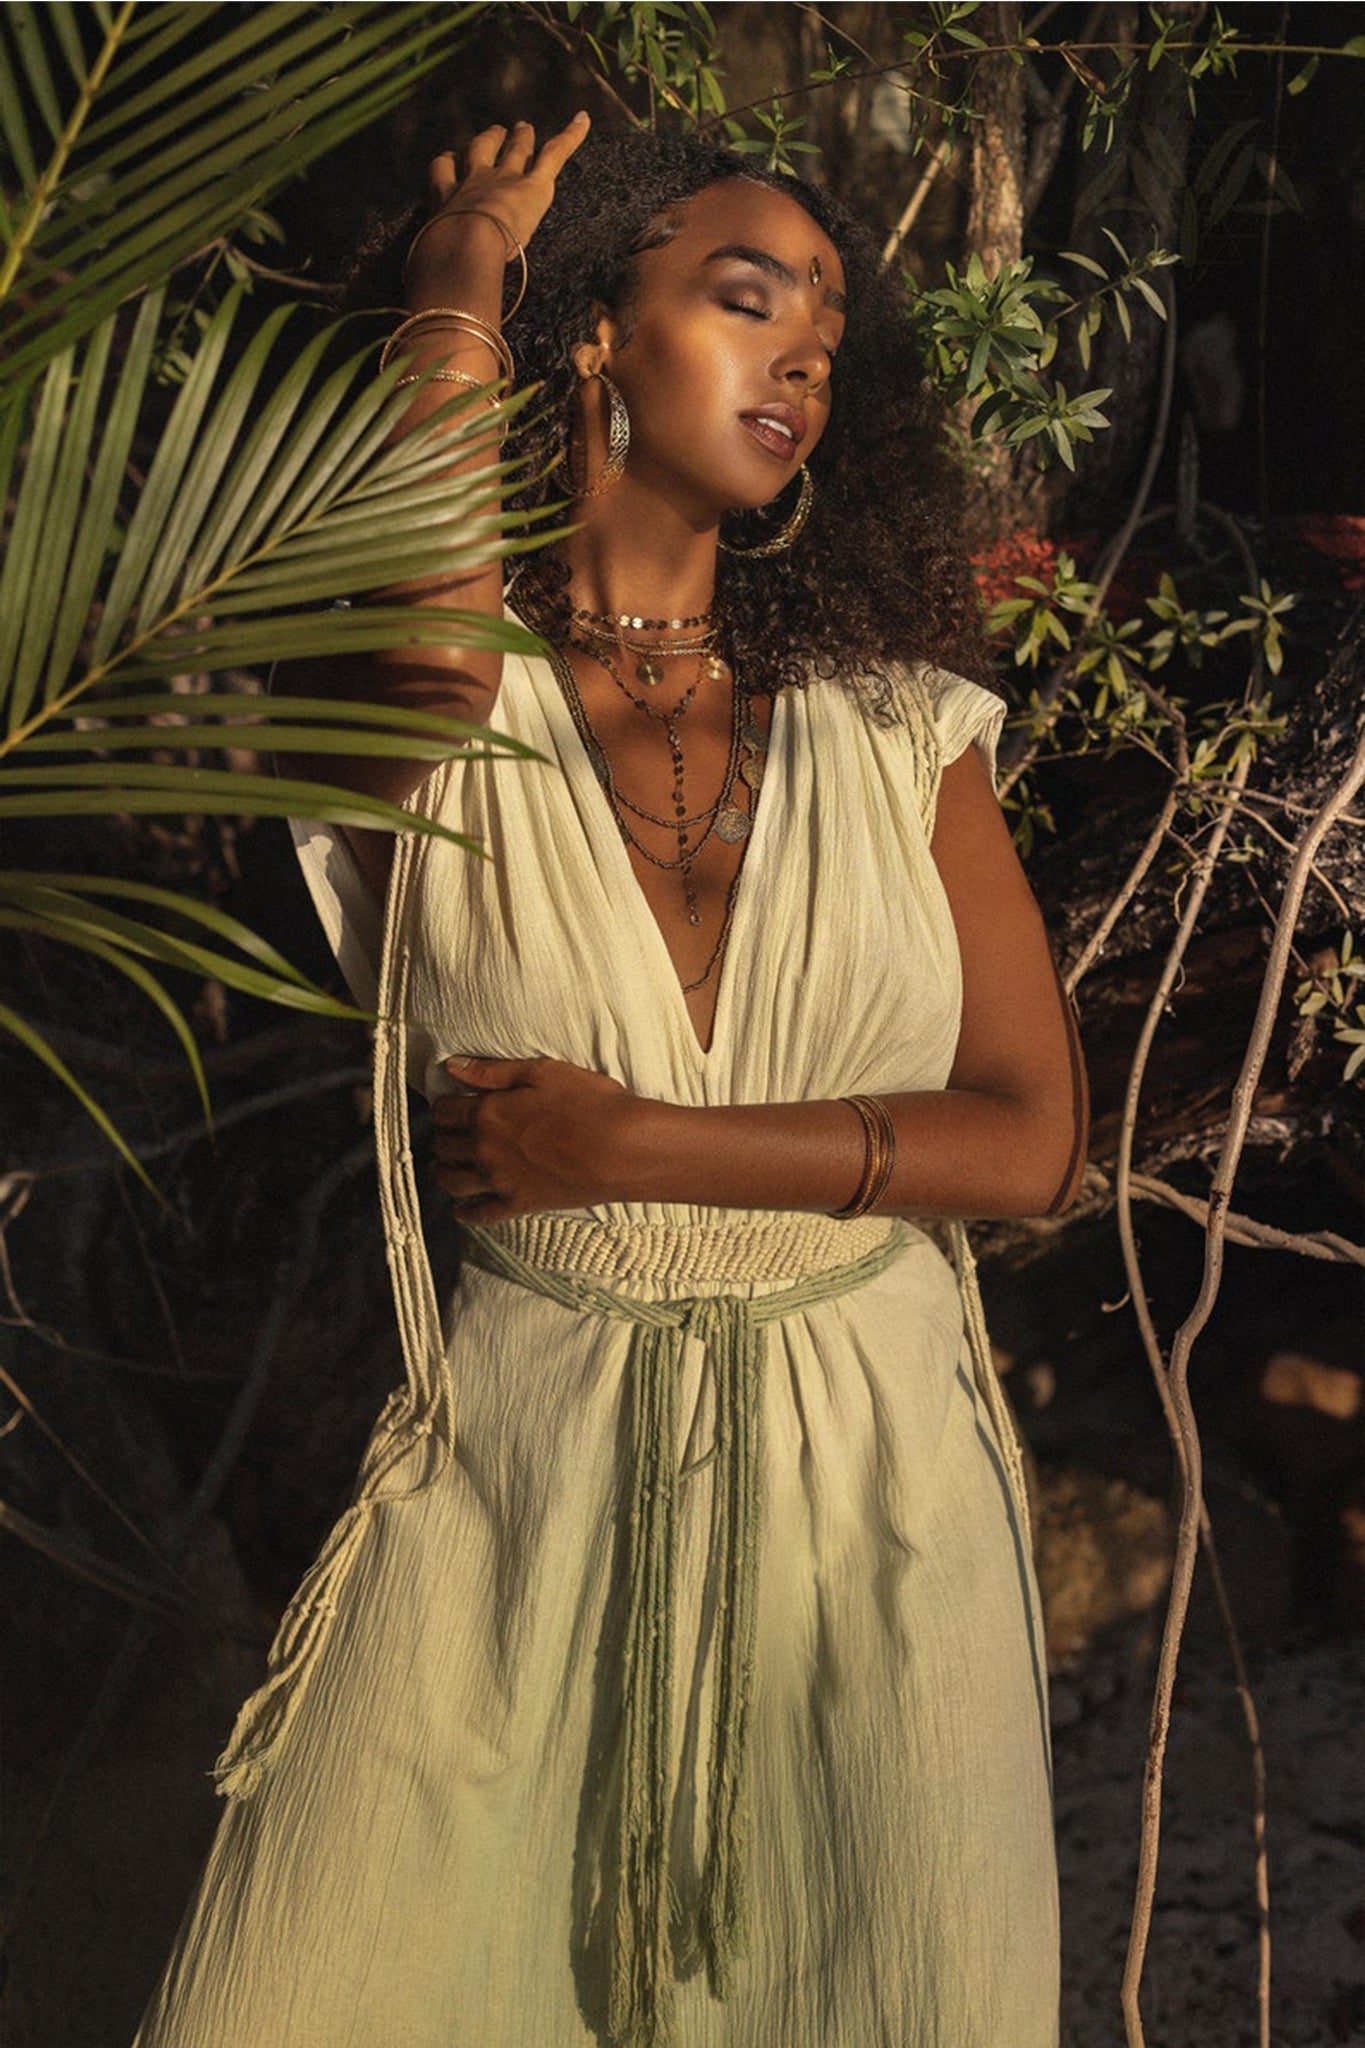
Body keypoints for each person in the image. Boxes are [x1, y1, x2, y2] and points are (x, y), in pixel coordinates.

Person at [136, 114, 1087, 2048]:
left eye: (824, 328)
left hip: (882, 1501)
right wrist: (460, 273)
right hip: (523, 1470)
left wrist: (636, 1140)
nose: (802, 358)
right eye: (747, 301)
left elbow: (1030, 1142)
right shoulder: (439, 704)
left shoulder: (903, 729)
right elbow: (415, 627)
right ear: (596, 337)